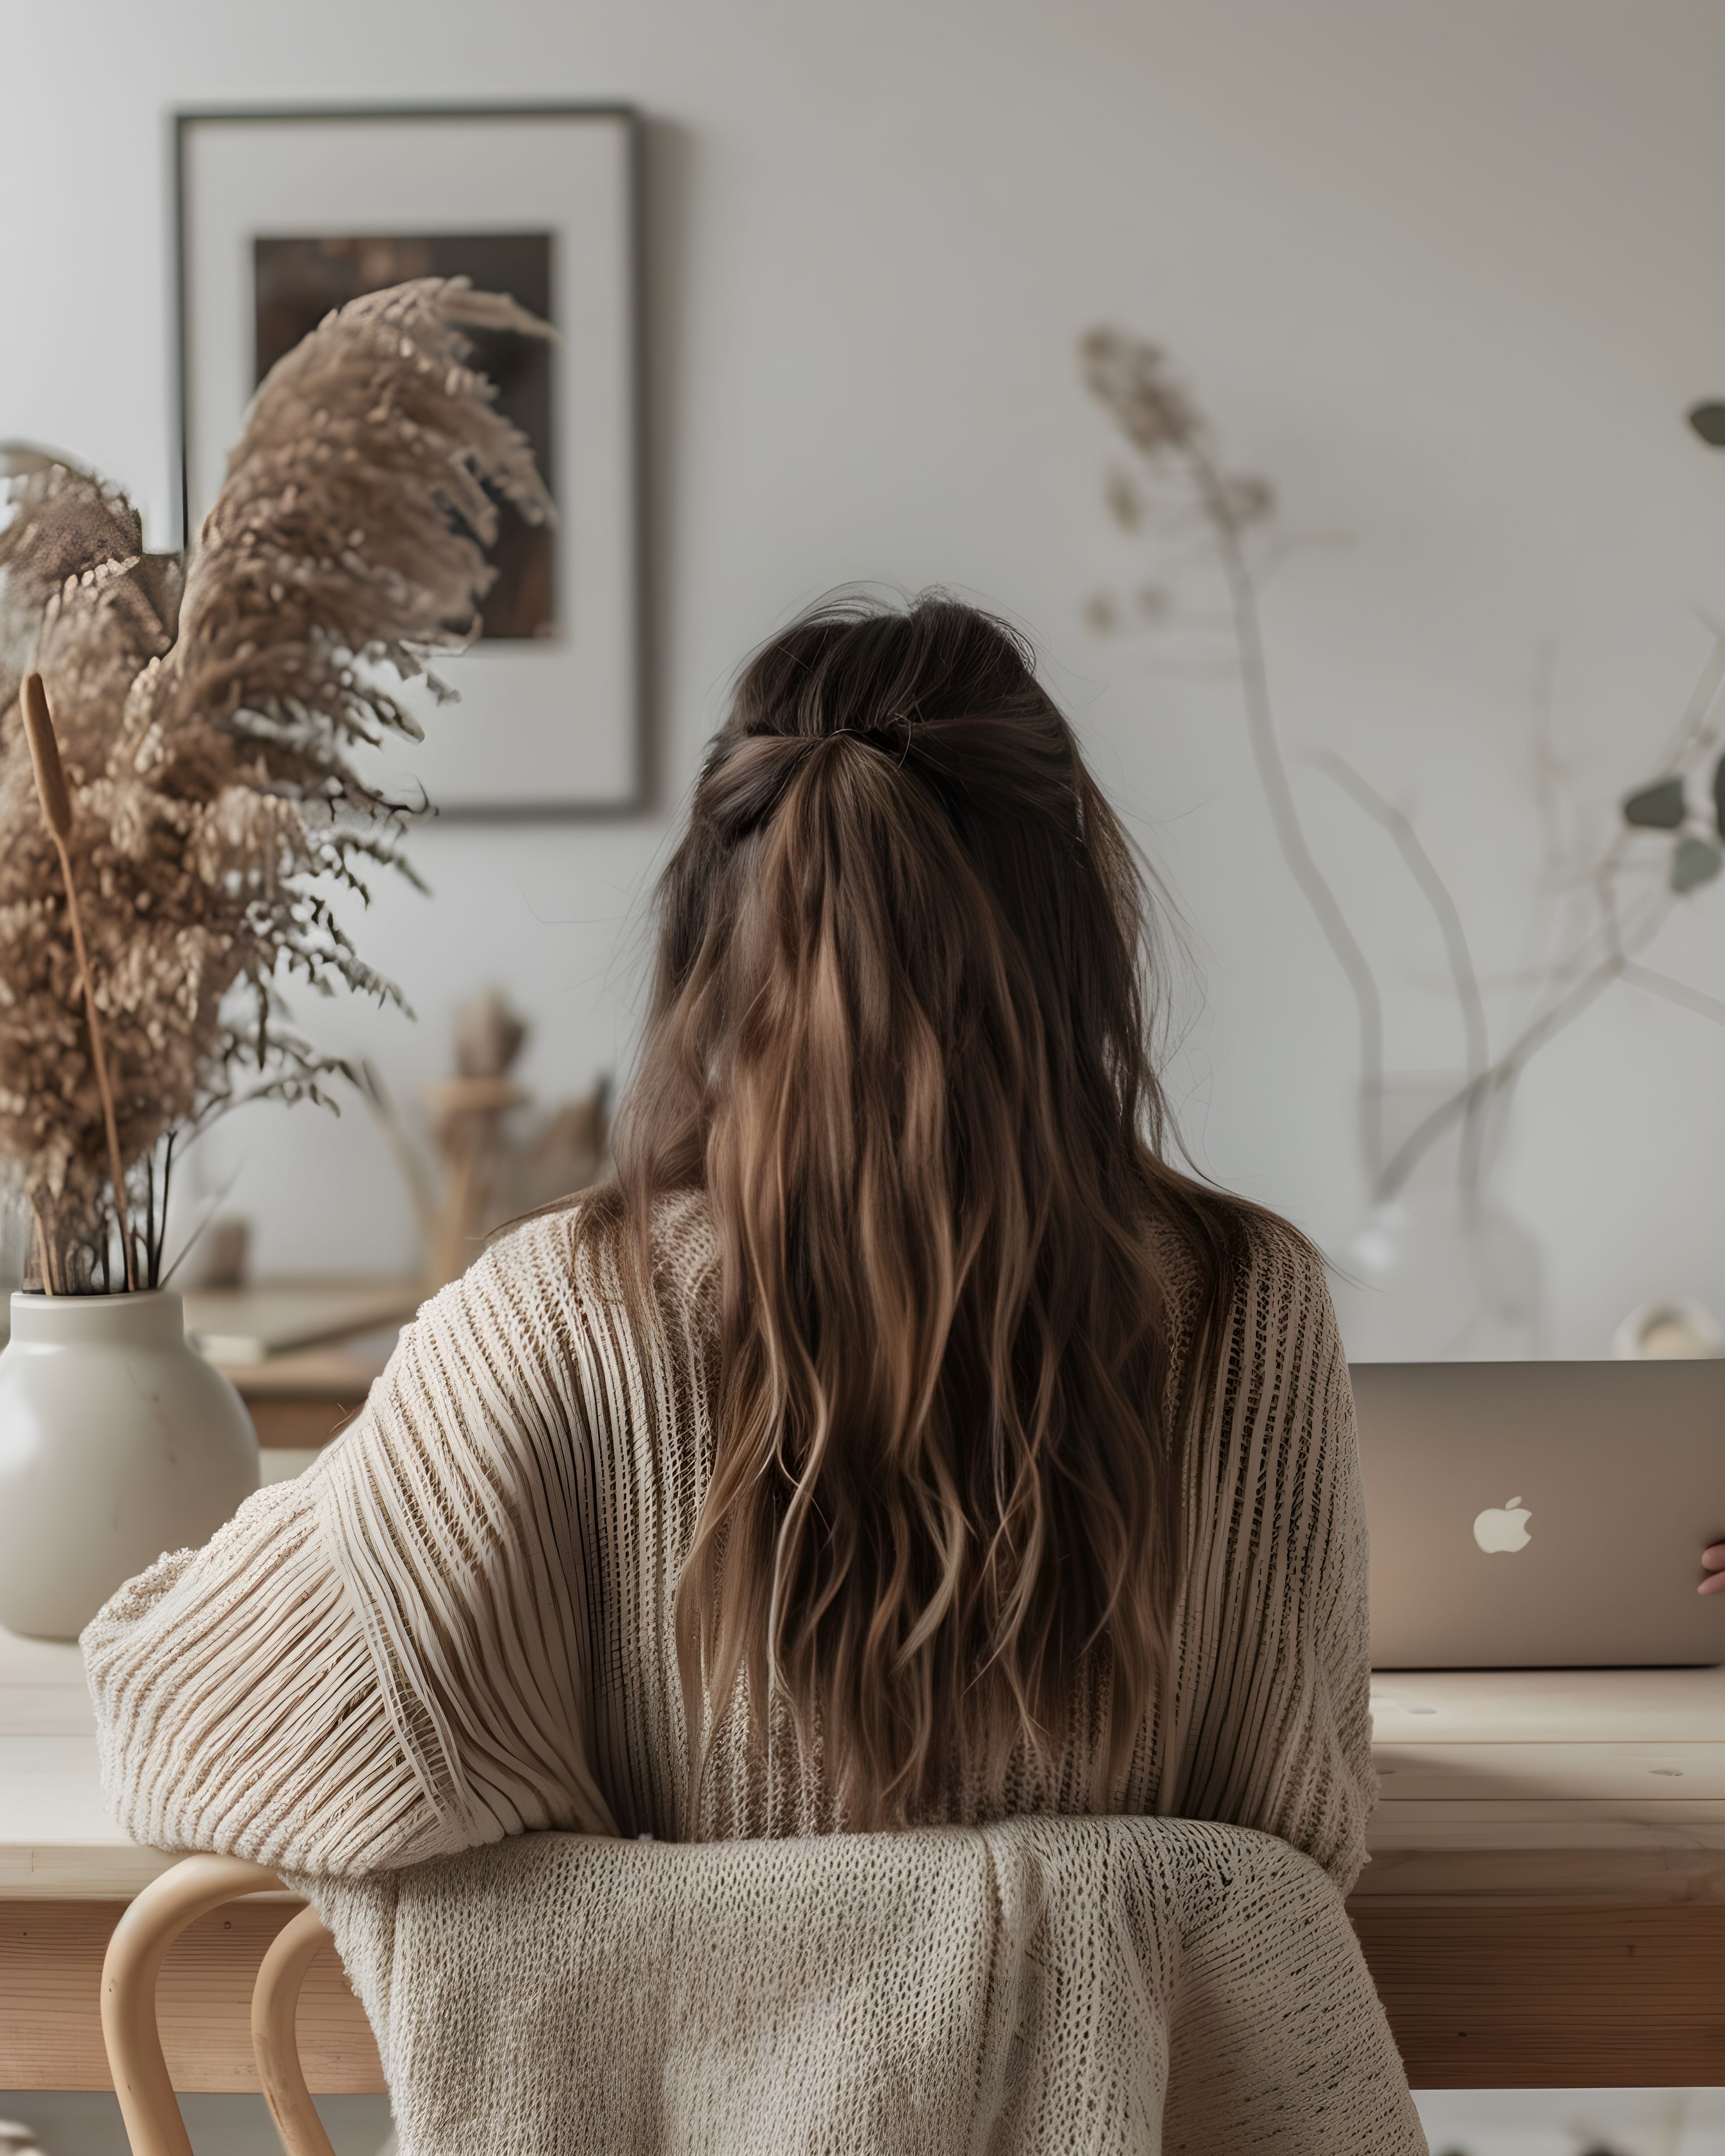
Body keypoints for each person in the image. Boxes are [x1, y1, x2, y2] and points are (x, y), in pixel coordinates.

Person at [84, 593, 1374, 1894]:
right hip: (1126, 2104)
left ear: (709, 927)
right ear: (1079, 928)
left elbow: (185, 1722)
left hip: (658, 2110)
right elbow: (1294, 1832)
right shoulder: (1249, 1308)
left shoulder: (554, 1317)